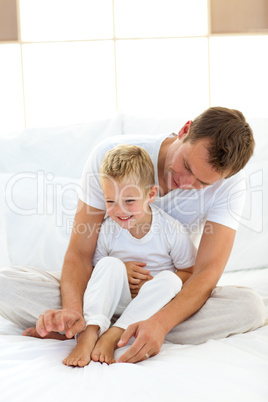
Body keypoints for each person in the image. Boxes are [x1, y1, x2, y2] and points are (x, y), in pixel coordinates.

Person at [0, 107, 266, 363]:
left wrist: (161, 323)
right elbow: (81, 253)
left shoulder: (230, 186)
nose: (186, 184)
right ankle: (90, 322)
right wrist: (72, 309)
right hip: (100, 286)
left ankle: (109, 327)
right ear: (185, 130)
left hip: (163, 300)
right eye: (186, 165)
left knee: (249, 307)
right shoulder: (113, 156)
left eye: (202, 183)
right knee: (6, 285)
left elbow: (205, 273)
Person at [62, 144, 196, 366]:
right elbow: (97, 275)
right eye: (110, 202)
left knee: (171, 280)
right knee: (109, 264)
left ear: (150, 194)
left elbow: (190, 271)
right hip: (116, 301)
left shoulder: (170, 230)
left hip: (151, 306)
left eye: (129, 201)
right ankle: (88, 334)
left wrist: (152, 284)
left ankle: (113, 335)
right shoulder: (107, 229)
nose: (119, 211)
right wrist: (121, 270)